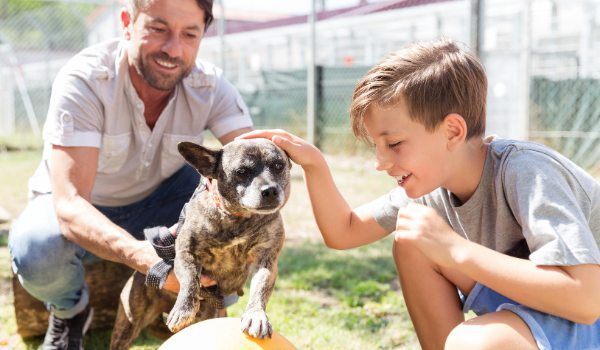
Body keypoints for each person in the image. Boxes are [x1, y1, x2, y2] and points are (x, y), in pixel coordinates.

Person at [239, 39, 600, 349]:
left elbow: (585, 299)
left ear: (452, 131)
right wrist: (314, 163)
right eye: (377, 146)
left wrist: (455, 250)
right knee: (411, 240)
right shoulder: (433, 186)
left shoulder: (527, 171)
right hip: (541, 308)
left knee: (472, 342)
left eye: (394, 144)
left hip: (588, 312)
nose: (381, 162)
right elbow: (344, 231)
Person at [8, 0, 253, 348]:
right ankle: (70, 311)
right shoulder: (87, 79)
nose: (173, 49)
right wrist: (144, 259)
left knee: (230, 205)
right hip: (82, 205)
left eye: (189, 34)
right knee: (37, 248)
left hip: (163, 202)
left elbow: (254, 157)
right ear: (127, 22)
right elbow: (70, 203)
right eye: (158, 29)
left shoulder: (210, 85)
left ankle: (206, 307)